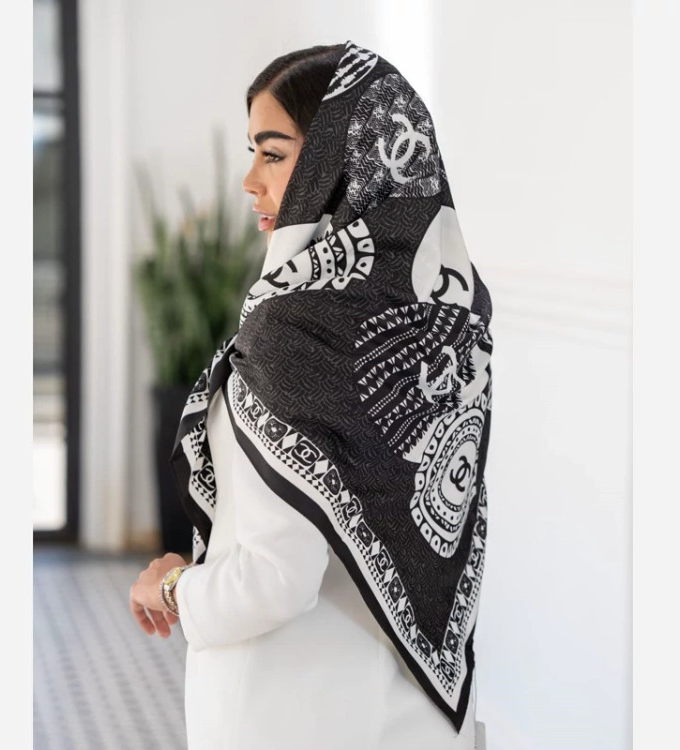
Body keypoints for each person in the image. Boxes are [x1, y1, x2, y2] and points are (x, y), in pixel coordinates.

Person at [130, 40, 493, 750]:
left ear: (342, 161)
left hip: (289, 711)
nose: (249, 180)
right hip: (409, 712)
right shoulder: (446, 311)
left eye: (272, 153)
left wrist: (172, 588)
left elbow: (276, 579)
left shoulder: (294, 329)